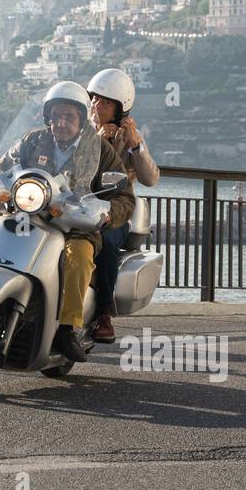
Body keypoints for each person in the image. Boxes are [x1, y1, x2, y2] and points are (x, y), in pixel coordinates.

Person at [0, 81, 134, 362]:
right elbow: (4, 166)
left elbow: (124, 197)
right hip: (28, 217)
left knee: (78, 257)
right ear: (48, 117)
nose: (61, 122)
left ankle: (67, 329)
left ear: (81, 120)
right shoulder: (33, 140)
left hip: (74, 225)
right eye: (56, 116)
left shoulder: (100, 150)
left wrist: (106, 212)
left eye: (69, 117)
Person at [86, 68, 160, 343]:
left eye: (106, 102)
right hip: (74, 205)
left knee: (104, 241)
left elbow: (150, 179)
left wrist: (136, 146)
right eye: (95, 99)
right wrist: (95, 137)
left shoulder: (127, 138)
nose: (97, 105)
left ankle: (103, 313)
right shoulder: (77, 130)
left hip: (113, 210)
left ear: (120, 109)